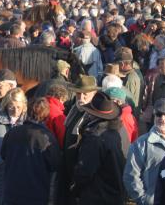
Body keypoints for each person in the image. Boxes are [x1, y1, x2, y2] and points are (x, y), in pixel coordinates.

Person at [70, 92, 129, 205]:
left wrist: (74, 189)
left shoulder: (95, 137)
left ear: (93, 114)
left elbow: (85, 171)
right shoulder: (121, 130)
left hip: (97, 196)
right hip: (117, 194)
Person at [0, 97, 60, 205]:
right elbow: (55, 165)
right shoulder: (47, 138)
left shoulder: (12, 133)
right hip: (36, 196)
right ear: (46, 116)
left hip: (10, 193)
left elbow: (3, 155)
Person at [123, 98, 165, 205]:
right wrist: (145, 200)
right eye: (159, 114)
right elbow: (131, 176)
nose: (162, 119)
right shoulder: (141, 144)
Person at [60, 75, 98, 204]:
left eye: (85, 94)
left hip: (80, 173)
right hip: (68, 167)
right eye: (78, 94)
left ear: (94, 93)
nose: (81, 98)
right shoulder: (75, 109)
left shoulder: (94, 115)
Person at [115, 47, 144, 117]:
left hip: (131, 115)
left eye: (116, 63)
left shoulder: (130, 78)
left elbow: (127, 101)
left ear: (122, 64)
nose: (116, 65)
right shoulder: (136, 71)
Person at [45, 83, 68, 147]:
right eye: (63, 101)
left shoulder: (39, 105)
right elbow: (62, 138)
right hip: (50, 147)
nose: (63, 105)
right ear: (61, 98)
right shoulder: (58, 115)